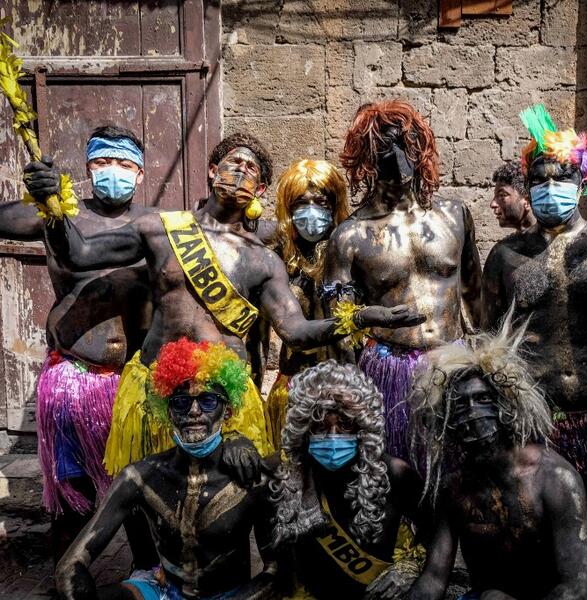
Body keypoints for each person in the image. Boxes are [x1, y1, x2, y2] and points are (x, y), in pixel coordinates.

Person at [42, 132, 424, 479]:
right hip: (155, 390)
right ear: (212, 172)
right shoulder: (161, 229)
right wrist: (52, 207)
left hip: (225, 399)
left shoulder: (262, 260)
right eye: (233, 163)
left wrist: (360, 317)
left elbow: (296, 331)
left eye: (252, 169)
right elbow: (80, 253)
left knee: (231, 495)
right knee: (147, 489)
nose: (241, 171)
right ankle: (148, 561)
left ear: (259, 190)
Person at [480, 104, 587, 586]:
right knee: (538, 535)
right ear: (529, 187)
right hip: (533, 425)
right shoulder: (506, 255)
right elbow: (491, 344)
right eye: (541, 180)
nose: (552, 189)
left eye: (563, 178)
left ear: (582, 182)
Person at [11, 125, 155, 560]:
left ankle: (148, 573)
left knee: (140, 490)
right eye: (104, 162)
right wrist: (38, 189)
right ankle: (68, 577)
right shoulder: (56, 216)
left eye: (126, 165)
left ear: (141, 174)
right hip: (73, 381)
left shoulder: (157, 227)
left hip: (131, 383)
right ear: (89, 168)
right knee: (72, 489)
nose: (114, 172)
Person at [55, 339, 280, 599]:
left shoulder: (253, 479)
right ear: (167, 411)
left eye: (207, 401)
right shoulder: (139, 477)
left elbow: (276, 571)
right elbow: (69, 566)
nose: (194, 411)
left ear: (227, 411)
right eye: (181, 402)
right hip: (163, 591)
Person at [324, 100, 482, 460]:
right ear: (366, 156)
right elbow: (341, 330)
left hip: (452, 364)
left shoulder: (455, 216)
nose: (395, 157)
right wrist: (355, 400)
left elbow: (475, 296)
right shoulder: (350, 236)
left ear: (420, 147)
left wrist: (482, 363)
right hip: (388, 369)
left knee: (455, 473)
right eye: (383, 148)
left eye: (404, 144)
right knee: (398, 469)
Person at [406, 315, 587, 600]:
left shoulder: (555, 478)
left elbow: (575, 589)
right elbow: (433, 579)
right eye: (460, 405)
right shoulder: (454, 487)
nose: (472, 413)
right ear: (446, 419)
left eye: (482, 399)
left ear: (506, 405)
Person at [269, 360, 430, 600]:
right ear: (303, 428)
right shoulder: (283, 471)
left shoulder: (395, 473)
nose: (333, 437)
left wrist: (411, 566)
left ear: (362, 425)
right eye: (320, 426)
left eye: (345, 425)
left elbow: (436, 523)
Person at [263, 159, 350, 451]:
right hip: (293, 384)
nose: (311, 210)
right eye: (301, 202)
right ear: (288, 208)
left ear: (334, 205)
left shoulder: (351, 249)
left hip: (344, 386)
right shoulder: (275, 255)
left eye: (321, 202)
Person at [490, 160, 534, 232]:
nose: (492, 204)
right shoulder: (510, 242)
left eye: (502, 195)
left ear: (527, 201)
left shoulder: (556, 242)